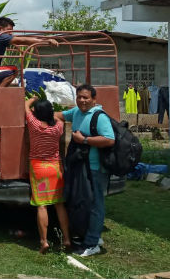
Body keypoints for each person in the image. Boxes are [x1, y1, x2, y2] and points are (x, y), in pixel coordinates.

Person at [55, 84, 115, 257]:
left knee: (96, 205)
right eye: (79, 97)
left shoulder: (99, 116)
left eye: (86, 97)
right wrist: (40, 114)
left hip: (96, 168)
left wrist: (85, 140)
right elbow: (60, 115)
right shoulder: (76, 112)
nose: (82, 100)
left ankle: (92, 244)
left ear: (94, 99)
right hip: (82, 168)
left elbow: (109, 139)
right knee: (85, 203)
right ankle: (91, 236)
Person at [25, 96, 71, 253]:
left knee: (42, 206)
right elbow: (58, 117)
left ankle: (44, 241)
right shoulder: (58, 127)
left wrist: (32, 99)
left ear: (37, 113)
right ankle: (66, 239)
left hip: (38, 168)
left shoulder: (34, 124)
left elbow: (25, 106)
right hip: (55, 168)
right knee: (59, 204)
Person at [0, 17, 59, 88]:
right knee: (13, 70)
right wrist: (46, 41)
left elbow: (15, 42)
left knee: (1, 70)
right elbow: (23, 40)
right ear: (0, 29)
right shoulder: (1, 36)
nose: (11, 34)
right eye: (9, 30)